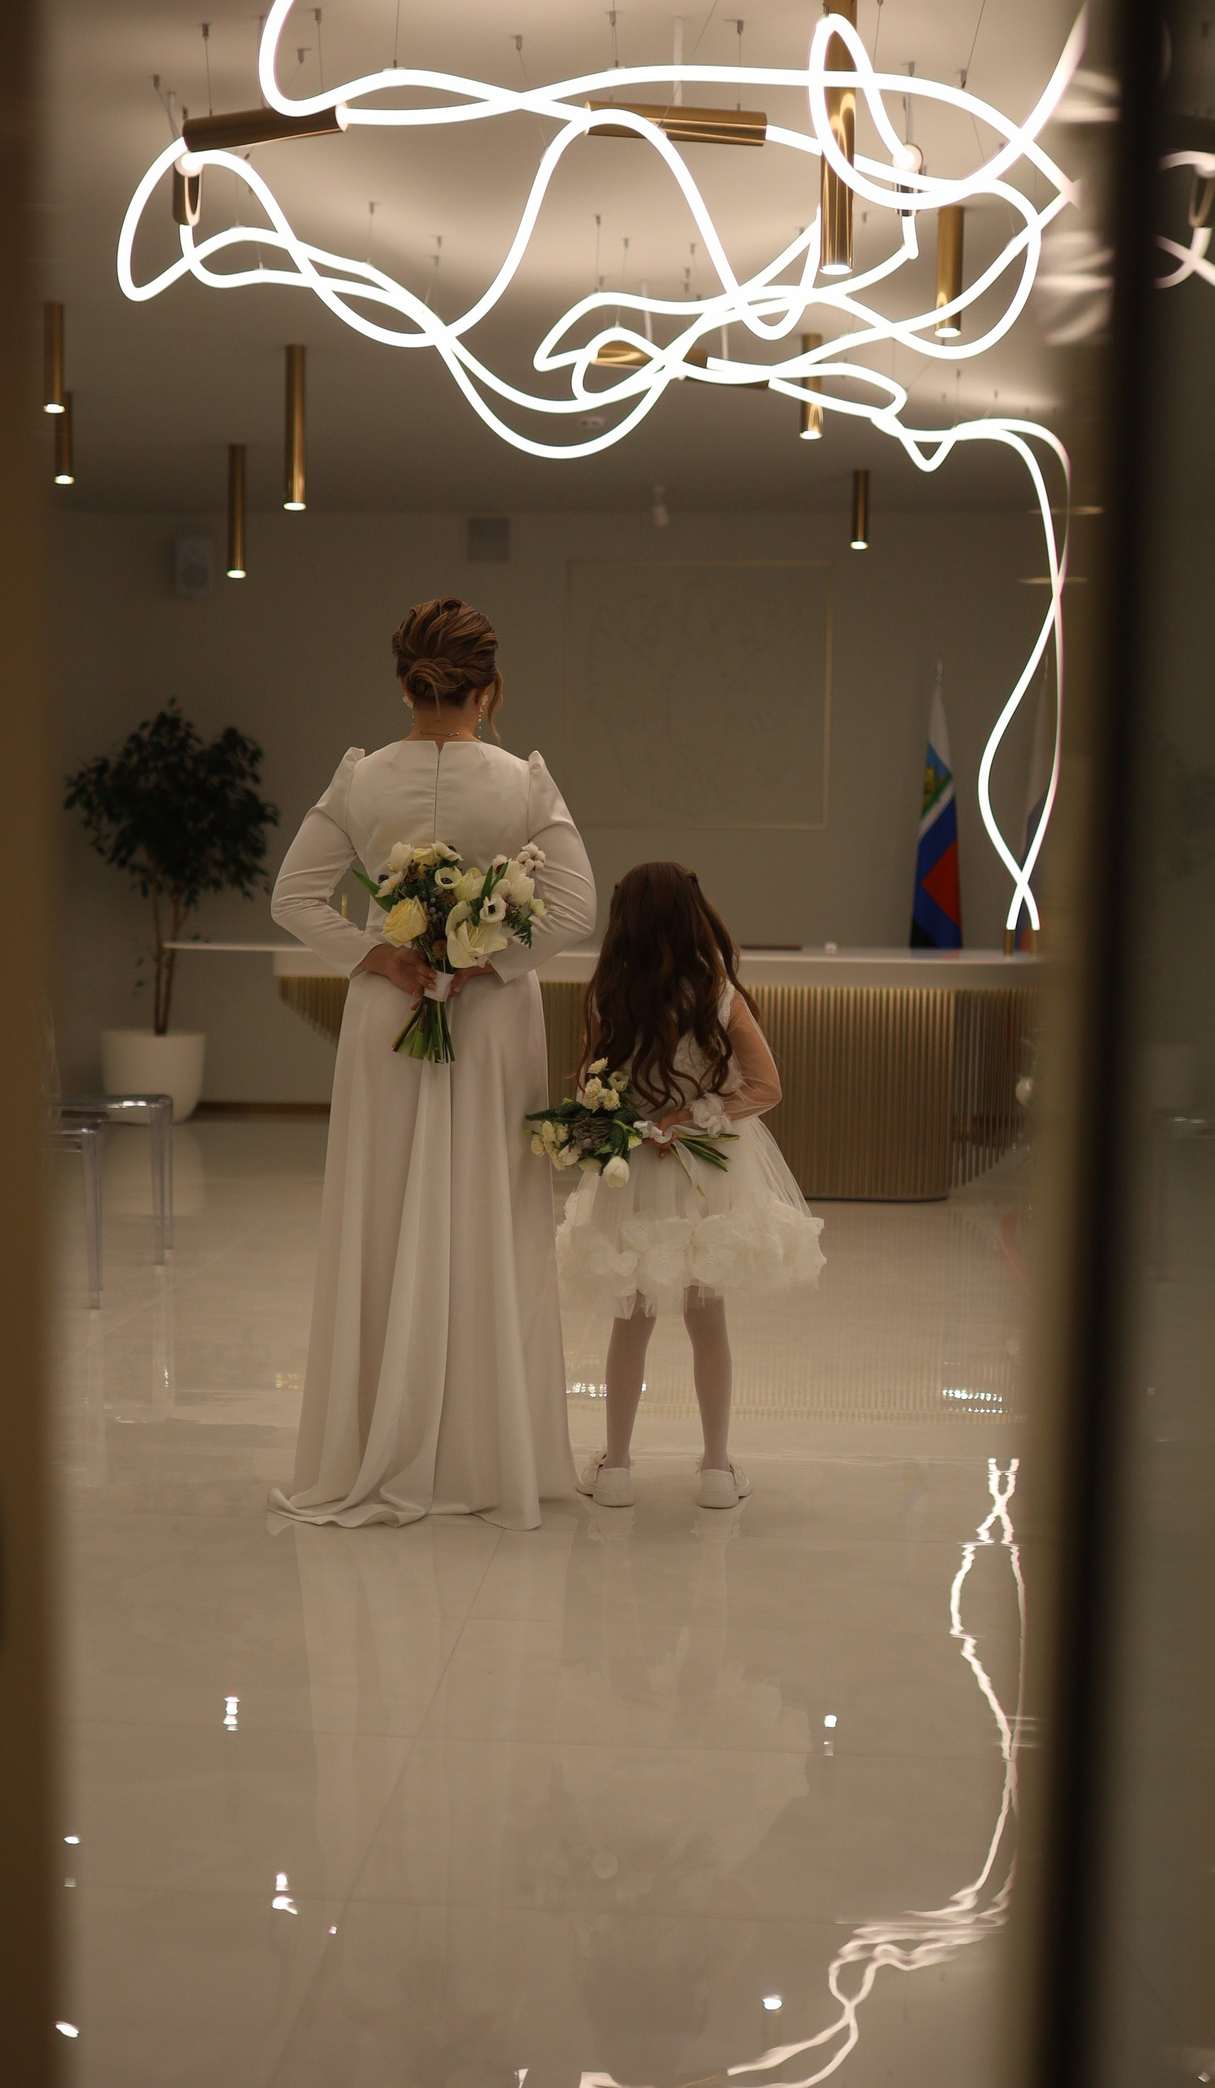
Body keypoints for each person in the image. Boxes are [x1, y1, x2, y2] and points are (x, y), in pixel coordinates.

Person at [269, 598, 596, 1527]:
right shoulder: (523, 782)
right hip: (487, 1017)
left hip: (388, 1008)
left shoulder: (363, 779)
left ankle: (377, 1439)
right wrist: (489, 960)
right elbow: (576, 910)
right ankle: (484, 1451)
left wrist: (376, 954)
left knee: (380, 1210)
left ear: (404, 684)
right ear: (489, 688)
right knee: (488, 1210)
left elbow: (293, 896)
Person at [558, 863, 825, 1509]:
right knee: (708, 1322)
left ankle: (616, 1468)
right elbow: (766, 1087)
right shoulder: (717, 996)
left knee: (632, 1322)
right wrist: (694, 1115)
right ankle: (715, 1470)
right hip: (707, 1172)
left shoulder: (609, 996)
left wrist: (633, 1123)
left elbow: (591, 1089)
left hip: (635, 1171)